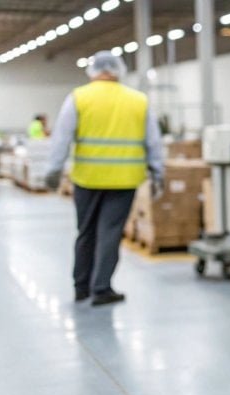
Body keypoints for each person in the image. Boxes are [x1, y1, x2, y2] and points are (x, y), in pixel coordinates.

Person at [45, 50, 164, 306]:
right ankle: (102, 288)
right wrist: (158, 173)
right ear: (118, 70)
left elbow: (61, 137)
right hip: (124, 180)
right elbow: (154, 142)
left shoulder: (79, 98)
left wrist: (54, 170)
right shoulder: (138, 101)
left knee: (85, 232)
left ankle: (81, 287)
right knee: (110, 233)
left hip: (87, 179)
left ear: (93, 70)